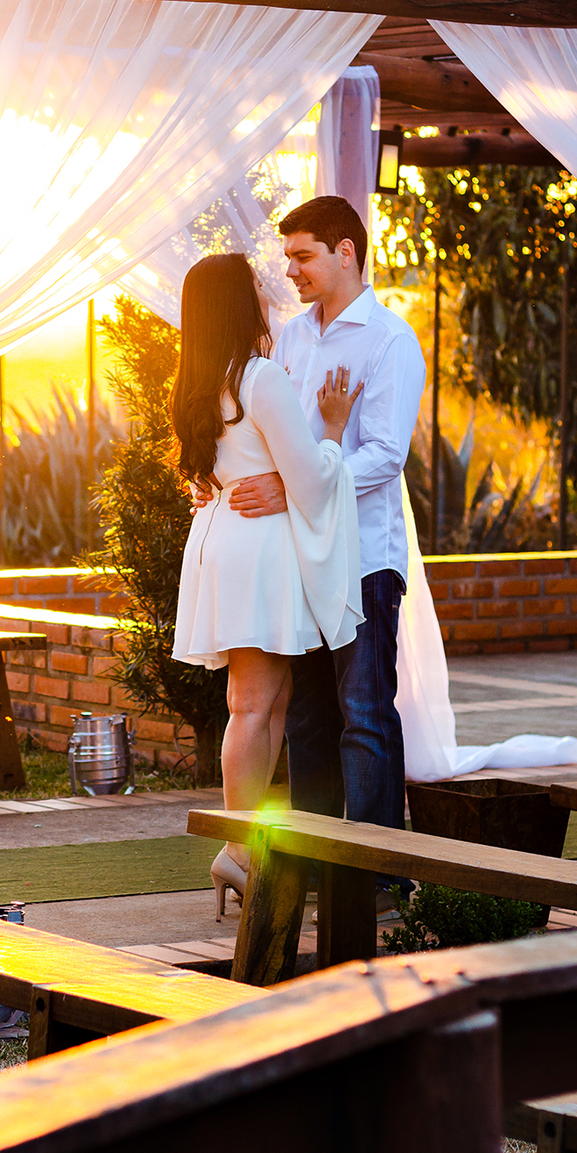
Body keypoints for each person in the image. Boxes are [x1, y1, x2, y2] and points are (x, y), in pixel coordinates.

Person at [225, 197, 426, 861]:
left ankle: (379, 880)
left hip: (363, 559)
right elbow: (275, 435)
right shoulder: (292, 336)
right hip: (300, 557)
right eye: (287, 259)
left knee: (364, 719)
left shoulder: (390, 340)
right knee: (308, 721)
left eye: (304, 256)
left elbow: (385, 457)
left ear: (346, 253)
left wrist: (292, 485)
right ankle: (315, 869)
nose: (292, 271)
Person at [170, 252, 364, 917]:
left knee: (266, 701)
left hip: (226, 542)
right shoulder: (258, 378)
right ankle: (239, 849)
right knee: (256, 704)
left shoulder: (199, 382)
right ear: (234, 303)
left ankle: (245, 848)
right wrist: (333, 431)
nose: (266, 292)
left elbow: (216, 474)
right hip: (255, 553)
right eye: (255, 284)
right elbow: (308, 476)